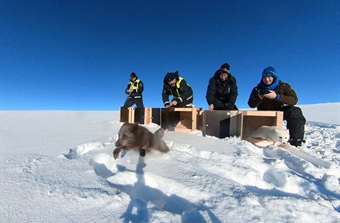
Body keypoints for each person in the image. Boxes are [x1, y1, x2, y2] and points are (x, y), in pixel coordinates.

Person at [248, 66, 306, 147]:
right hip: (263, 113)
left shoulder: (284, 86)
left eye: (269, 77)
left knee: (295, 111)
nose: (267, 79)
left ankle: (296, 140)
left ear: (274, 77)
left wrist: (277, 97)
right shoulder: (257, 89)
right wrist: (259, 98)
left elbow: (294, 100)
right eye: (264, 77)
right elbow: (251, 104)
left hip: (279, 111)